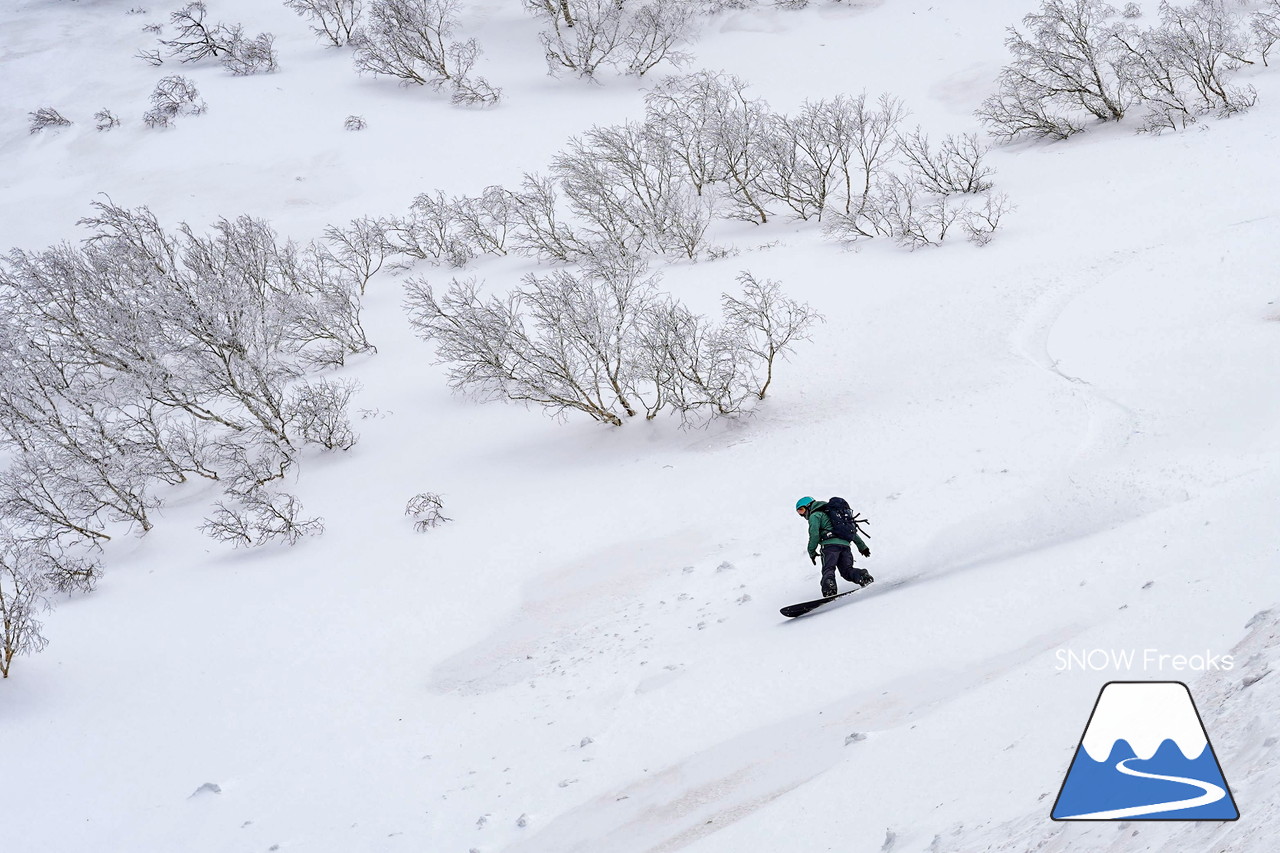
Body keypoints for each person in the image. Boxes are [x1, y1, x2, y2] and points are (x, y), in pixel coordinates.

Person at [795, 496, 873, 598]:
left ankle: (829, 590)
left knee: (828, 569)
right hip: (845, 546)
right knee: (847, 571)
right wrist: (862, 547)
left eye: (801, 510)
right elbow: (850, 531)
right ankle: (863, 576)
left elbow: (814, 535)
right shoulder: (834, 515)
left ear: (809, 506)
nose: (801, 514)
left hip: (829, 546)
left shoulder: (815, 515)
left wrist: (811, 551)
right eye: (799, 512)